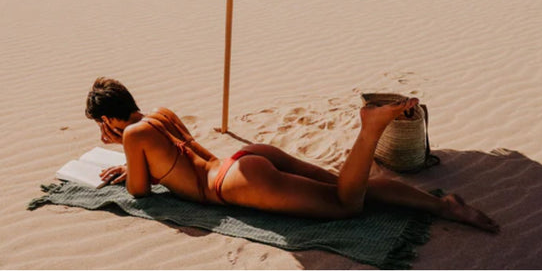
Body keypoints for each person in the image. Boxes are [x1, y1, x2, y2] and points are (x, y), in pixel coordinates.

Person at [85, 77, 498, 232]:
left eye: (100, 125)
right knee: (349, 187)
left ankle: (370, 128)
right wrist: (130, 156)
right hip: (244, 158)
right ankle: (444, 206)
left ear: (107, 120)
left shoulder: (134, 135)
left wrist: (121, 150)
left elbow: (140, 193)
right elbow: (174, 158)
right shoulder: (161, 115)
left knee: (345, 205)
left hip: (231, 185)